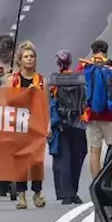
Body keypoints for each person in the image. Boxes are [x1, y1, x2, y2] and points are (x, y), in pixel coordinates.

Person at [79, 40, 112, 183]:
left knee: (95, 152)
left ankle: (96, 183)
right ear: (106, 51)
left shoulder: (84, 65)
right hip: (111, 115)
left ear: (92, 50)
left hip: (91, 115)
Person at [9, 41, 49, 209]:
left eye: (32, 56)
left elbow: (46, 104)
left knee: (37, 161)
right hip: (19, 124)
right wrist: (27, 93)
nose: (29, 59)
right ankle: (21, 195)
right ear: (20, 60)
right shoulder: (14, 79)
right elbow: (9, 101)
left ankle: (37, 192)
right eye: (26, 57)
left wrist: (48, 126)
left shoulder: (41, 80)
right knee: (21, 161)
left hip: (37, 124)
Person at [47, 50, 87, 204]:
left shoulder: (53, 80)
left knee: (63, 158)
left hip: (61, 124)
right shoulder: (80, 78)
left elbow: (51, 104)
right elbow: (85, 98)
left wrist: (51, 123)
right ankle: (74, 192)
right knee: (77, 158)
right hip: (78, 123)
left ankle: (66, 193)